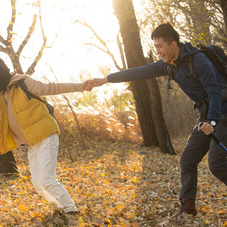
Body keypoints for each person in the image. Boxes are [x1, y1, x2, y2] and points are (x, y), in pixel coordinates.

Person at [85, 22, 227, 217]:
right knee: (188, 158)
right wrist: (106, 79)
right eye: (156, 47)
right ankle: (188, 208)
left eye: (160, 46)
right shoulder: (169, 66)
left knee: (217, 164)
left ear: (173, 44)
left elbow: (215, 92)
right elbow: (139, 72)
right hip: (207, 116)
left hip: (223, 113)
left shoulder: (198, 60)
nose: (158, 51)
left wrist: (211, 122)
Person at [0, 57, 90, 214]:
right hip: (31, 144)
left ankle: (71, 211)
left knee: (47, 180)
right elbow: (2, 121)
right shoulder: (1, 95)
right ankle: (60, 207)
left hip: (46, 136)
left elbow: (51, 88)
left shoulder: (23, 83)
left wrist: (81, 86)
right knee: (39, 185)